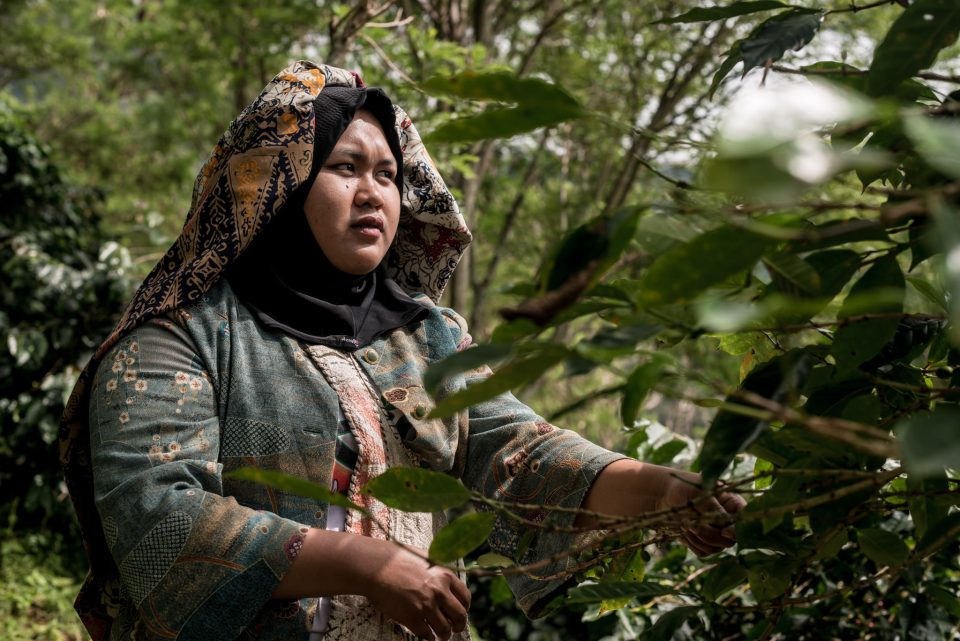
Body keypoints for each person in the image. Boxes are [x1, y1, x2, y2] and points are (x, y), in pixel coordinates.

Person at [60, 60, 744, 641]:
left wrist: (658, 487)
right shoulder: (177, 337)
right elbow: (159, 518)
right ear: (283, 182)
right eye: (345, 166)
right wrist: (366, 564)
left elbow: (521, 453)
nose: (373, 194)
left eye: (387, 174)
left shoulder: (427, 336)